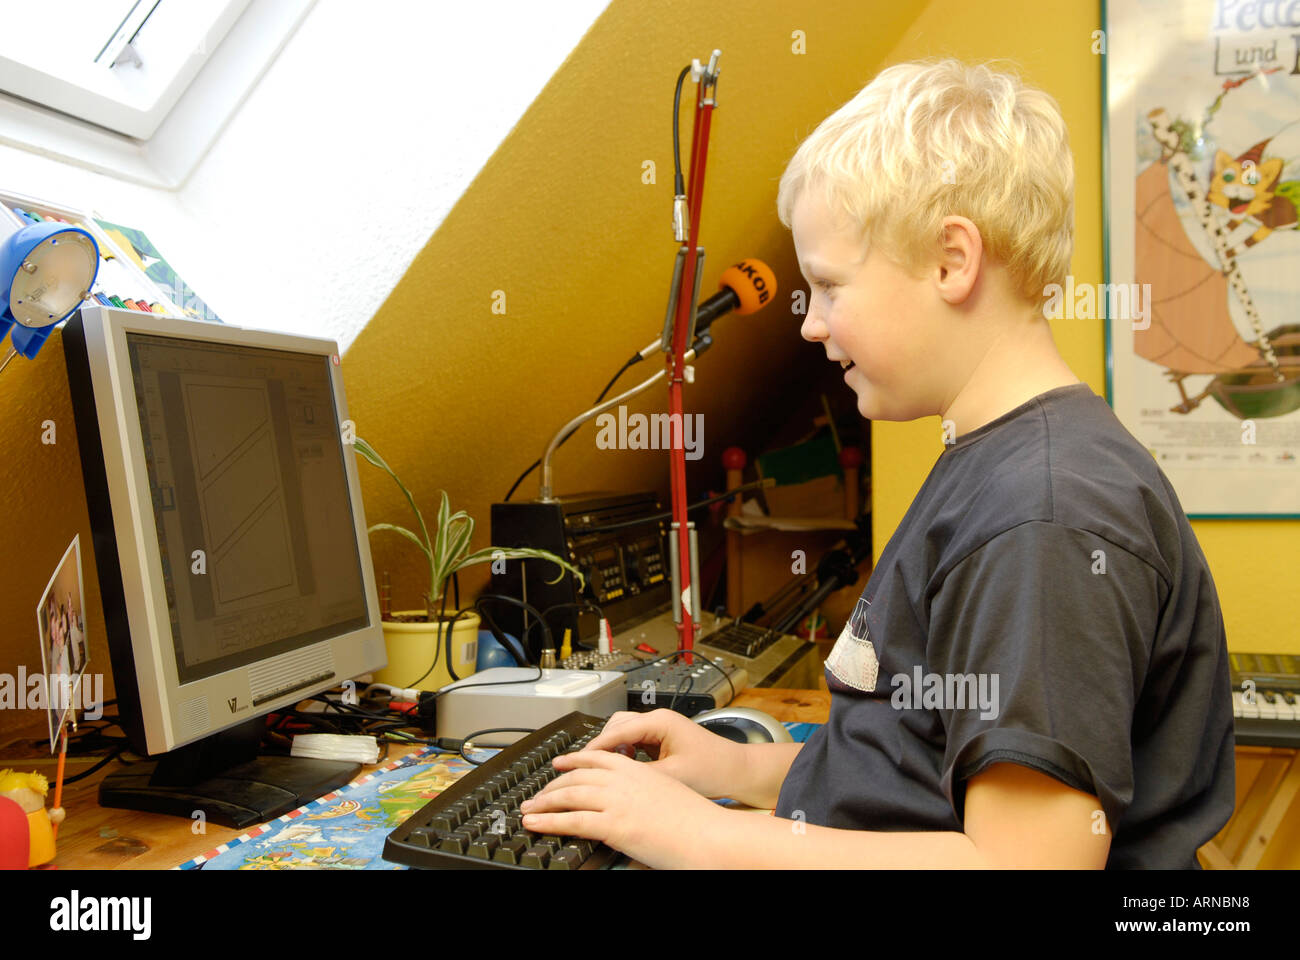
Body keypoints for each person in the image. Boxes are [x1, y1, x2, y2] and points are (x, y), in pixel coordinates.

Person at [519, 58, 1235, 869]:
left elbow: (1027, 864)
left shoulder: (1045, 513)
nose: (810, 326)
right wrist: (736, 767)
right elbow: (914, 773)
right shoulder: (991, 460)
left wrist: (699, 835)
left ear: (950, 262)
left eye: (829, 285)